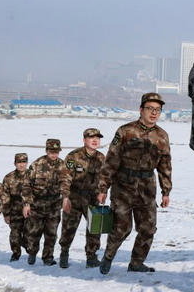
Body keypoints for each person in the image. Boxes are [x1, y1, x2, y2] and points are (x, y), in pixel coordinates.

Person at [97, 92, 172, 274]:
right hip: (123, 185)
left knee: (148, 228)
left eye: (157, 110)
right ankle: (108, 257)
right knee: (121, 228)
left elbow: (165, 165)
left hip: (147, 187)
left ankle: (136, 263)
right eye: (150, 108)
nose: (153, 113)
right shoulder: (125, 131)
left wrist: (166, 191)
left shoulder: (162, 136)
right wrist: (103, 187)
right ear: (141, 110)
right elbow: (111, 160)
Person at [59, 128, 106, 269]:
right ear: (84, 140)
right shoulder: (73, 156)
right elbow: (65, 177)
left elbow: (104, 178)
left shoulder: (101, 158)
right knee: (69, 227)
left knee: (95, 228)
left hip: (93, 198)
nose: (95, 140)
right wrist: (65, 197)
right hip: (74, 197)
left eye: (97, 138)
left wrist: (103, 192)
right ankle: (64, 253)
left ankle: (91, 257)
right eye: (91, 138)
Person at [23, 138, 68, 266]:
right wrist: (27, 204)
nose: (54, 154)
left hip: (54, 205)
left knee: (51, 233)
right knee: (34, 233)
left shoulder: (62, 165)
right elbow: (26, 185)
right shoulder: (36, 164)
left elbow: (66, 183)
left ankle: (48, 257)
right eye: (51, 151)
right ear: (47, 151)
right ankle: (32, 253)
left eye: (56, 152)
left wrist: (65, 198)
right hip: (37, 205)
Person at [1, 153, 30, 261]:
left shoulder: (33, 175)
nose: (21, 165)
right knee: (15, 234)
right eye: (19, 162)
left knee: (29, 233)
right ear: (15, 163)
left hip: (30, 209)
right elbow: (5, 196)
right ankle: (16, 254)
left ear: (26, 163)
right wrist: (6, 214)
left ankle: (29, 247)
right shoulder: (9, 177)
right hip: (14, 209)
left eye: (24, 162)